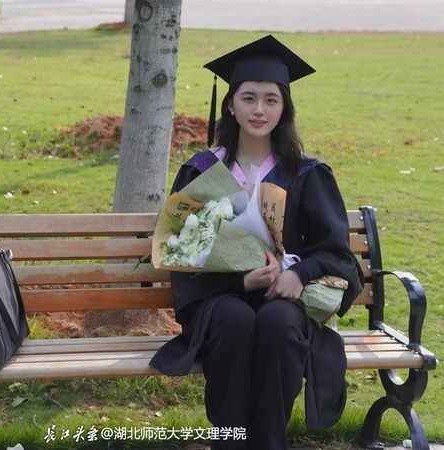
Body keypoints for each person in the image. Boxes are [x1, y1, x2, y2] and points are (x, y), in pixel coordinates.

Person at [150, 35, 364, 450]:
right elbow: (179, 251)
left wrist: (299, 275)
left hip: (287, 299)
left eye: (271, 100)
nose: (259, 110)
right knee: (234, 321)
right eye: (248, 98)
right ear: (231, 104)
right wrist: (239, 283)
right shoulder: (202, 170)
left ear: (284, 108)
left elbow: (336, 251)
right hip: (219, 299)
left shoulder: (307, 173)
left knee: (279, 324)